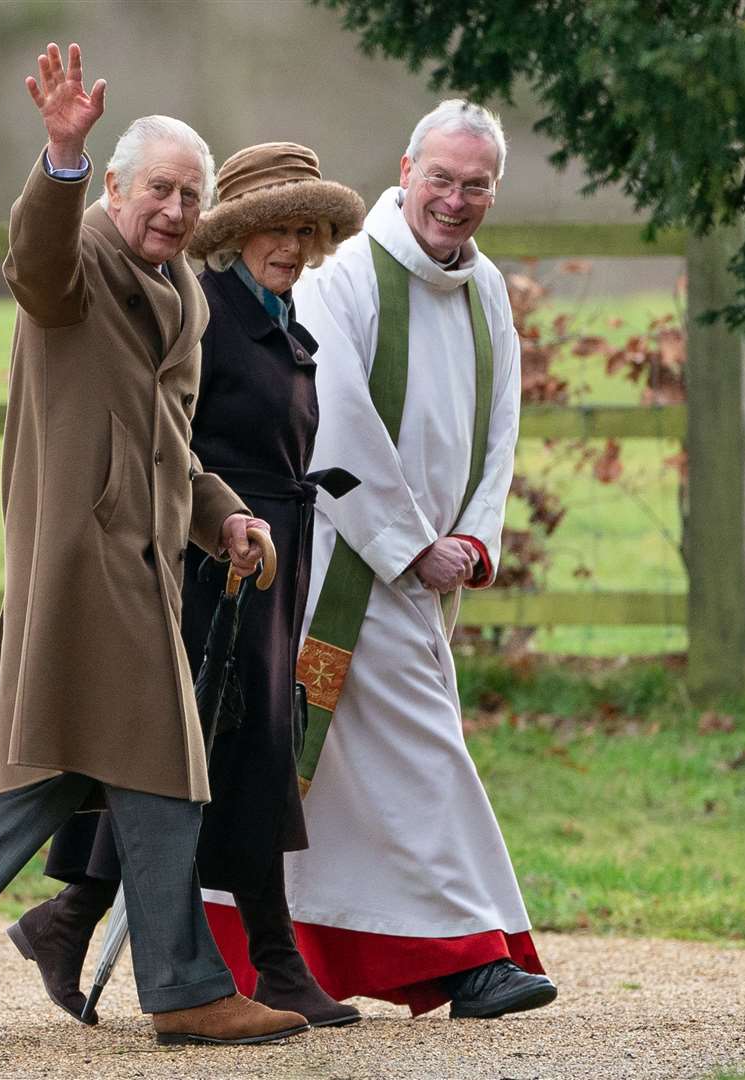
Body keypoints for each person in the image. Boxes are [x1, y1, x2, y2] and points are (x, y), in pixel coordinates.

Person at [0, 43, 308, 1048]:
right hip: (83, 561)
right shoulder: (83, 258)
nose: (177, 210)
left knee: (58, 774)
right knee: (165, 769)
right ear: (113, 186)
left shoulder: (182, 289)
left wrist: (223, 512)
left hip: (143, 562)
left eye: (191, 195)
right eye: (159, 189)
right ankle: (186, 987)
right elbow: (35, 261)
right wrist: (57, 156)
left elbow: (171, 445)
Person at [208, 100, 559, 1020]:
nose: (455, 199)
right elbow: (340, 420)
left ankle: (258, 953)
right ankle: (473, 955)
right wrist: (410, 547)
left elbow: (502, 425)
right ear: (405, 170)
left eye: (475, 185)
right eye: (441, 178)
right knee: (421, 750)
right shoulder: (348, 275)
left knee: (337, 783)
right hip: (343, 564)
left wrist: (475, 539)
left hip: (431, 568)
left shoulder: (485, 289)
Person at [9, 143, 367, 1029]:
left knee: (219, 754)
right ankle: (262, 962)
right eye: (277, 228)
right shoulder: (202, 306)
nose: (294, 244)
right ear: (237, 233)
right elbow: (166, 435)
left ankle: (70, 917)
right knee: (206, 755)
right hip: (207, 562)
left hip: (268, 549)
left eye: (308, 230)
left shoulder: (279, 315)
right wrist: (214, 524)